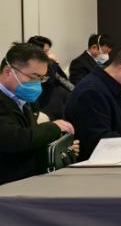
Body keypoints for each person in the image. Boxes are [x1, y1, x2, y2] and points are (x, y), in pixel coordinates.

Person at [0, 43, 74, 185]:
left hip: (26, 182)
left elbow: (30, 142)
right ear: (8, 71)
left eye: (41, 78)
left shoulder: (25, 100)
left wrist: (61, 146)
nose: (37, 84)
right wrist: (53, 127)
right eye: (34, 77)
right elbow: (14, 140)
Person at [25, 35, 73, 120]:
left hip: (63, 98)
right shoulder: (30, 66)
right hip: (45, 103)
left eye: (48, 51)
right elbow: (49, 80)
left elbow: (64, 78)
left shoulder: (49, 63)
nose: (49, 54)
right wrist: (54, 63)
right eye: (46, 51)